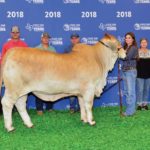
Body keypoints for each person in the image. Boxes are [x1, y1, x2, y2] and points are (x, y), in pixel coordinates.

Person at [35, 32, 56, 115]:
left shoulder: (53, 49)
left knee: (50, 89)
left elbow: (56, 61)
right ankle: (39, 109)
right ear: (41, 39)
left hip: (50, 73)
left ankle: (49, 108)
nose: (46, 39)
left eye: (47, 38)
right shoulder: (36, 49)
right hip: (39, 73)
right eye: (44, 37)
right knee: (38, 90)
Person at [122, 32, 138, 116]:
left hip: (130, 71)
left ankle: (130, 111)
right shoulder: (125, 47)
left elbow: (126, 57)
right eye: (126, 38)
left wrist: (120, 52)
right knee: (127, 91)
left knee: (130, 91)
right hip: (125, 70)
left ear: (133, 39)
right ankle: (130, 109)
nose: (127, 39)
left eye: (129, 37)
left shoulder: (134, 48)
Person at [64, 33, 80, 113]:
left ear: (78, 39)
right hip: (71, 73)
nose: (74, 40)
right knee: (72, 91)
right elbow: (64, 61)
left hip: (81, 73)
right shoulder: (67, 49)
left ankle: (81, 107)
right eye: (73, 38)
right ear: (71, 40)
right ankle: (72, 108)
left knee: (82, 90)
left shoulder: (83, 48)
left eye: (76, 38)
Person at [136, 38, 150, 110]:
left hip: (148, 74)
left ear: (147, 43)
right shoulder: (137, 52)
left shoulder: (149, 52)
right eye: (142, 42)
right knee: (140, 89)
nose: (144, 44)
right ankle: (139, 104)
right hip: (139, 74)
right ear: (140, 44)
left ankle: (145, 104)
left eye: (145, 42)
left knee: (146, 89)